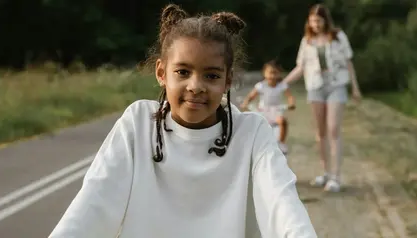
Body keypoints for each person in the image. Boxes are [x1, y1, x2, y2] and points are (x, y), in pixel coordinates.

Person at [49, 4, 317, 238]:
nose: (195, 86)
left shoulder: (252, 133)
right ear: (161, 73)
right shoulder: (138, 123)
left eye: (211, 76)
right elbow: (93, 203)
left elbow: (283, 205)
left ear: (228, 80)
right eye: (183, 72)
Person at [281, 3, 362, 192]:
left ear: (325, 20)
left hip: (336, 85)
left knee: (333, 130)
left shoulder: (338, 37)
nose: (315, 24)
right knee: (321, 133)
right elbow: (300, 67)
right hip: (315, 87)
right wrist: (282, 83)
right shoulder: (307, 41)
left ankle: (336, 176)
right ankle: (325, 172)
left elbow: (349, 62)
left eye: (318, 21)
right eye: (312, 21)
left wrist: (355, 87)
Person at [240, 59, 296, 154]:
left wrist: (291, 104)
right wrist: (245, 103)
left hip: (276, 110)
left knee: (282, 122)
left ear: (279, 74)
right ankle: (253, 144)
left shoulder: (282, 85)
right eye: (270, 73)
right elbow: (251, 96)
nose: (272, 76)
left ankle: (281, 143)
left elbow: (290, 96)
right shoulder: (261, 86)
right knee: (255, 123)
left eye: (275, 73)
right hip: (263, 111)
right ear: (264, 73)